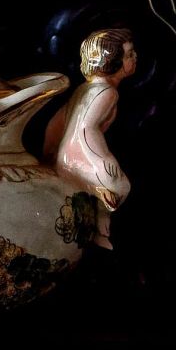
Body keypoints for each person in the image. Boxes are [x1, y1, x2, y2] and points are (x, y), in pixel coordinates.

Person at [43, 29, 136, 249]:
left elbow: (57, 122)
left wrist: (50, 151)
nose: (135, 57)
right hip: (82, 155)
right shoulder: (107, 93)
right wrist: (103, 160)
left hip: (67, 154)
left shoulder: (85, 88)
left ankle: (97, 230)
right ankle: (97, 230)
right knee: (119, 186)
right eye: (129, 54)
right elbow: (87, 129)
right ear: (112, 62)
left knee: (94, 193)